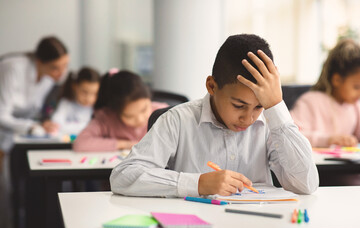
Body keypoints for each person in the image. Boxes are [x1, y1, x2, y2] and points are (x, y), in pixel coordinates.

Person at [110, 34, 319, 198]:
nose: (248, 118)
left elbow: (306, 184)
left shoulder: (271, 124)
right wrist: (197, 184)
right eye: (239, 105)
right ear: (212, 86)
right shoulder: (177, 121)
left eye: (259, 107)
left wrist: (276, 107)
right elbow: (123, 177)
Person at [0, 36, 69, 153]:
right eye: (55, 68)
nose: (62, 73)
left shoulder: (49, 78)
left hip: (19, 134)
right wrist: (31, 127)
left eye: (65, 65)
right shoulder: (12, 68)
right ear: (39, 62)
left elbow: (36, 112)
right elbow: (2, 115)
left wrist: (44, 123)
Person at [72, 69, 168, 152]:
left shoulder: (163, 113)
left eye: (144, 109)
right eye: (129, 116)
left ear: (149, 97)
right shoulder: (106, 118)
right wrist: (125, 145)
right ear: (115, 112)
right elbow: (80, 143)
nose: (140, 119)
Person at [291, 39, 360, 148]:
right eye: (356, 87)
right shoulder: (310, 101)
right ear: (337, 80)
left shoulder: (355, 106)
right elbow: (291, 135)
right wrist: (328, 140)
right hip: (317, 164)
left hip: (342, 164)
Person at [51, 67, 100, 136]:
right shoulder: (66, 103)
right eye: (84, 92)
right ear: (75, 86)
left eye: (94, 93)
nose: (88, 98)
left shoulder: (98, 109)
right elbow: (56, 125)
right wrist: (89, 126)